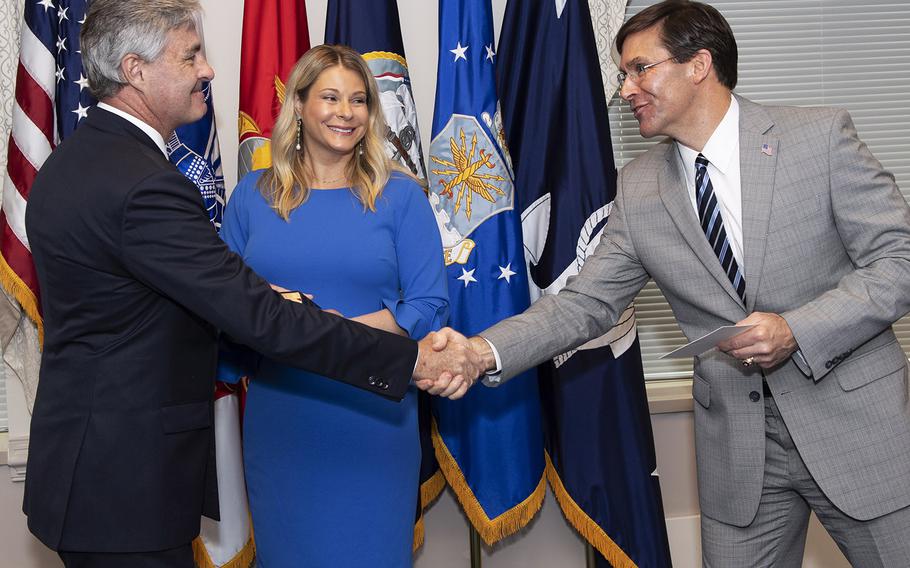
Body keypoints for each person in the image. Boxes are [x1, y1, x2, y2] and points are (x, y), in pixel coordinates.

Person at [440, 1, 910, 565]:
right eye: (621, 74)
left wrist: (796, 330)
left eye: (640, 68)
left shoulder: (819, 137)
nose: (625, 89)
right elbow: (584, 304)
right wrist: (480, 351)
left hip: (858, 435)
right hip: (740, 454)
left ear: (699, 64)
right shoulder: (637, 189)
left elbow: (899, 260)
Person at [21, 1, 476, 566]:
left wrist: (283, 319)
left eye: (359, 99)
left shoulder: (72, 162)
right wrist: (405, 361)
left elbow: (225, 309)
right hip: (131, 477)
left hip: (101, 469)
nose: (208, 70)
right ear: (136, 70)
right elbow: (250, 315)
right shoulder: (149, 185)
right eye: (191, 56)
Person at [218, 44, 446, 567]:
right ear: (297, 105)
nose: (346, 112)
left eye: (359, 100)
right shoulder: (252, 196)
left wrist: (335, 337)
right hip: (283, 422)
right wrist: (296, 333)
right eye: (330, 97)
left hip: (372, 422)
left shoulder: (402, 196)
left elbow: (430, 304)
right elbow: (223, 308)